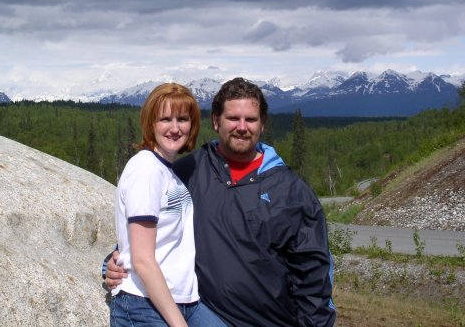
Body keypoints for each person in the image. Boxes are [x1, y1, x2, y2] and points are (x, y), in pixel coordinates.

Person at [106, 77, 336, 327]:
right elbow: (149, 229)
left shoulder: (290, 190)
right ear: (216, 121)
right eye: (233, 118)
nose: (242, 127)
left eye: (250, 119)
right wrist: (114, 261)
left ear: (262, 124)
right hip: (204, 312)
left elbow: (314, 272)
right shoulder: (189, 172)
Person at [110, 83, 227, 327]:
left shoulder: (168, 172)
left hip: (185, 301)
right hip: (143, 302)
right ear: (151, 123)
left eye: (182, 119)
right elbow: (142, 259)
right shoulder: (146, 169)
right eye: (165, 119)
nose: (175, 128)